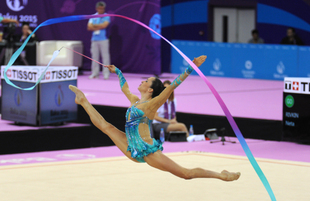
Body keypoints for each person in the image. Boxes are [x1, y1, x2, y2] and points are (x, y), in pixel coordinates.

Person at [69, 55, 241, 181]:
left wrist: (191, 67)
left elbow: (172, 86)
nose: (143, 82)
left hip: (146, 150)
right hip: (131, 147)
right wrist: (118, 72)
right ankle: (83, 100)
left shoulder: (151, 105)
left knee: (185, 174)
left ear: (151, 90)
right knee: (106, 127)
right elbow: (125, 88)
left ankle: (221, 175)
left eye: (147, 81)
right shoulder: (135, 101)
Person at [87, 1, 111, 79]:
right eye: (100, 9)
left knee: (105, 57)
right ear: (97, 8)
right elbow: (89, 27)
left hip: (103, 39)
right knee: (94, 57)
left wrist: (94, 26)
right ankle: (94, 73)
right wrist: (98, 26)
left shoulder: (107, 16)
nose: (101, 10)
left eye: (103, 9)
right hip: (94, 39)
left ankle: (106, 73)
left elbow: (104, 25)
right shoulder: (93, 16)